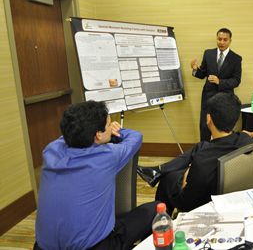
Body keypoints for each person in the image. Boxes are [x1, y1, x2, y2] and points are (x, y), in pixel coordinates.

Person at [34, 101, 159, 250]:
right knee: (157, 209)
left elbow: (68, 135)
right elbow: (136, 137)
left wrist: (103, 133)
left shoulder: (50, 150)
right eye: (108, 125)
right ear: (98, 134)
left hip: (41, 247)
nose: (110, 127)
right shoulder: (108, 156)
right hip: (94, 247)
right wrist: (116, 133)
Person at [137, 92, 253, 215]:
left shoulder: (201, 163)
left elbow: (187, 202)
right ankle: (158, 170)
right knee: (200, 145)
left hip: (207, 201)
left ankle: (162, 219)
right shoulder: (245, 139)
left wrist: (186, 176)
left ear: (209, 119)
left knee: (167, 178)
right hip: (235, 191)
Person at [191, 28, 242, 142]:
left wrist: (220, 82)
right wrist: (196, 70)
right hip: (208, 98)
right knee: (204, 127)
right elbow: (203, 74)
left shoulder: (236, 58)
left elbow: (236, 80)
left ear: (230, 41)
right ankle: (203, 154)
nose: (222, 42)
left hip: (225, 100)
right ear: (216, 39)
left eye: (225, 39)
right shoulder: (208, 53)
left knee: (223, 130)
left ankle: (221, 155)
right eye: (219, 39)